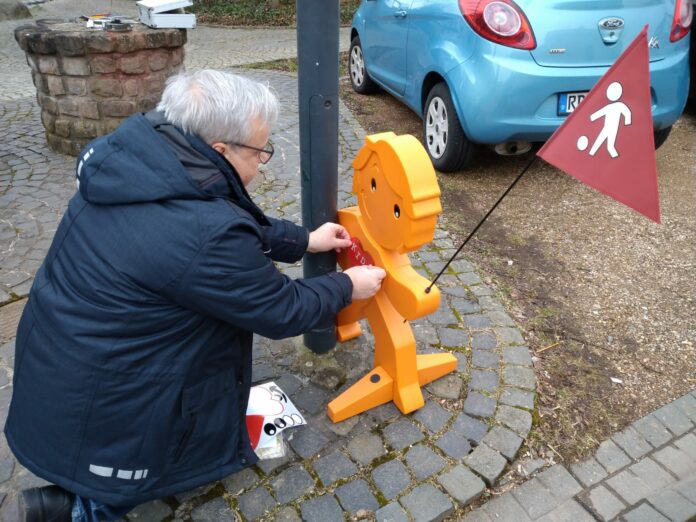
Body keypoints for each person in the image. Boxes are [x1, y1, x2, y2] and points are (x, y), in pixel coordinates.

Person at [5, 70, 386, 522]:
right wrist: (347, 286)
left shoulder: (143, 163)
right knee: (128, 469)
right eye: (261, 152)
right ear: (220, 149)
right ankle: (78, 510)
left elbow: (229, 222)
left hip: (62, 355)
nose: (264, 164)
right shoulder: (203, 231)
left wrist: (303, 241)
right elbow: (280, 309)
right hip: (112, 390)